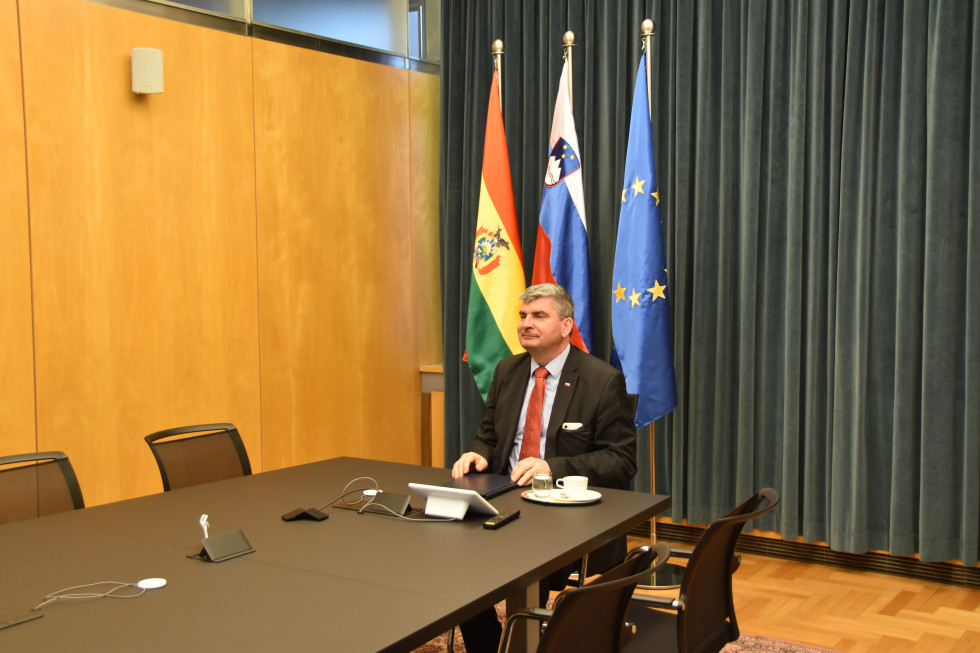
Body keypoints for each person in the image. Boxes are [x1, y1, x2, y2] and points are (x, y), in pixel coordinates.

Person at [453, 283, 637, 653]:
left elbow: (621, 461)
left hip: (563, 513)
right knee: (453, 563)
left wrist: (551, 467)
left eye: (539, 315)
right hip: (503, 500)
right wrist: (476, 454)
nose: (526, 324)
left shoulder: (601, 381)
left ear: (566, 326)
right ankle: (489, 645)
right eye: (523, 316)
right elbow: (488, 436)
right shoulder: (507, 371)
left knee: (511, 565)